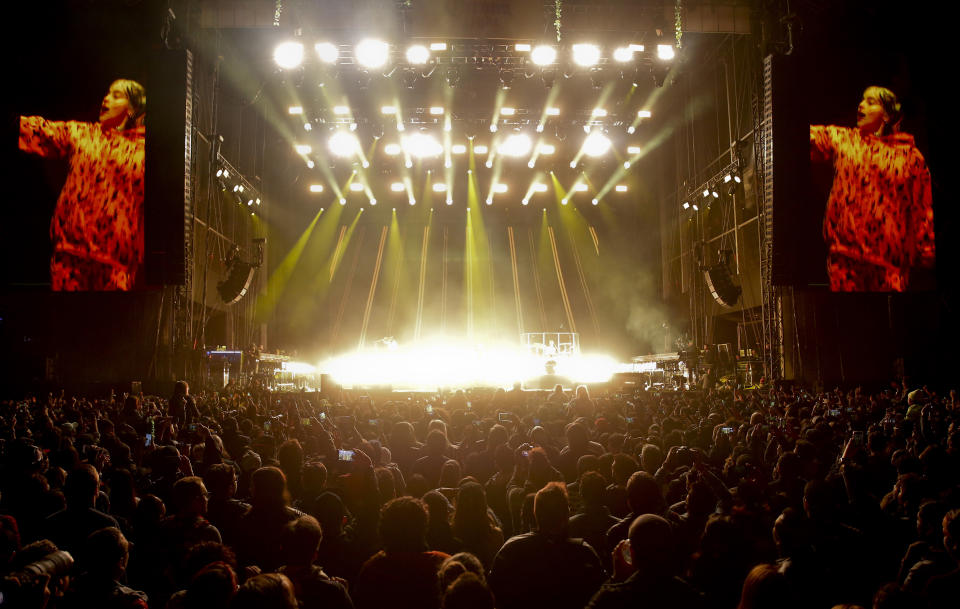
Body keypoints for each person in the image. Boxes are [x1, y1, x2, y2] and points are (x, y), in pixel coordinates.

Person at [18, 79, 146, 290]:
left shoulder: (144, 153)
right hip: (70, 259)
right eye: (107, 93)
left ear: (133, 110)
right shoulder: (84, 134)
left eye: (116, 95)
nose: (106, 98)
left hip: (116, 269)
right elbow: (40, 131)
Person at [810, 86, 934, 291]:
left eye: (871, 102)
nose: (861, 105)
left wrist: (926, 251)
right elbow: (810, 137)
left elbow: (923, 208)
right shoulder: (846, 139)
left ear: (886, 115)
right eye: (862, 100)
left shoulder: (910, 156)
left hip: (890, 268)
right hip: (846, 260)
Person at [488, 482, 606, 609]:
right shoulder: (584, 553)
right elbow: (602, 596)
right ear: (567, 514)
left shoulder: (511, 549)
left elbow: (493, 592)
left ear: (536, 513)